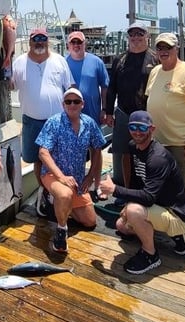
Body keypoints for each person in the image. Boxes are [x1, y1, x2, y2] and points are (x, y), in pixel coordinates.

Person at [99, 110, 185, 274]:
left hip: (175, 213)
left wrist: (115, 190)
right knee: (122, 226)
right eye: (133, 127)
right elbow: (136, 181)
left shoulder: (158, 158)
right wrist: (128, 202)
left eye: (142, 128)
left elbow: (148, 198)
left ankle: (151, 254)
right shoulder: (133, 147)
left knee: (134, 211)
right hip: (157, 204)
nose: (137, 132)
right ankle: (167, 233)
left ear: (152, 129)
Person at [145, 32, 185, 249]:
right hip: (157, 144)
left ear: (177, 48)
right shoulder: (155, 71)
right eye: (160, 48)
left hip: (181, 143)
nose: (164, 51)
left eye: (168, 47)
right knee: (162, 187)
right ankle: (172, 225)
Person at [11, 28, 74, 217]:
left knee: (59, 158)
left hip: (56, 121)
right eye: (35, 39)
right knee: (36, 160)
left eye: (43, 39)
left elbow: (70, 87)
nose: (39, 42)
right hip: (31, 121)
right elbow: (10, 85)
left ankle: (60, 192)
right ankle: (44, 191)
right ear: (30, 41)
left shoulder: (60, 61)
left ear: (48, 41)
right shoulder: (19, 62)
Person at [35, 88, 107, 253]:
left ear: (83, 104)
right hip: (53, 174)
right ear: (63, 104)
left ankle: (56, 202)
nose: (72, 104)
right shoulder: (54, 122)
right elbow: (43, 152)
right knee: (65, 194)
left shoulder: (89, 123)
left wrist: (90, 177)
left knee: (90, 221)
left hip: (76, 180)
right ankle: (61, 231)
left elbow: (97, 149)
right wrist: (61, 177)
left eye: (76, 101)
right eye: (68, 101)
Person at [105, 22, 159, 203]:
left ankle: (149, 189)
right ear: (128, 38)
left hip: (146, 114)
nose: (136, 38)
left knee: (148, 153)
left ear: (147, 36)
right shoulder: (119, 59)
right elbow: (111, 88)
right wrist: (109, 112)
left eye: (140, 34)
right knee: (123, 152)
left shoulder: (155, 58)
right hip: (123, 113)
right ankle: (125, 190)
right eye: (132, 35)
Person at [65, 31, 110, 200]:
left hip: (92, 114)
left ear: (85, 44)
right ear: (69, 45)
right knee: (73, 152)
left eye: (80, 42)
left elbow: (105, 86)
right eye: (73, 42)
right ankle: (76, 183)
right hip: (70, 115)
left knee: (96, 151)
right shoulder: (63, 62)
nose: (76, 45)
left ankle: (97, 185)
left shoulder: (96, 62)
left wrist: (104, 108)